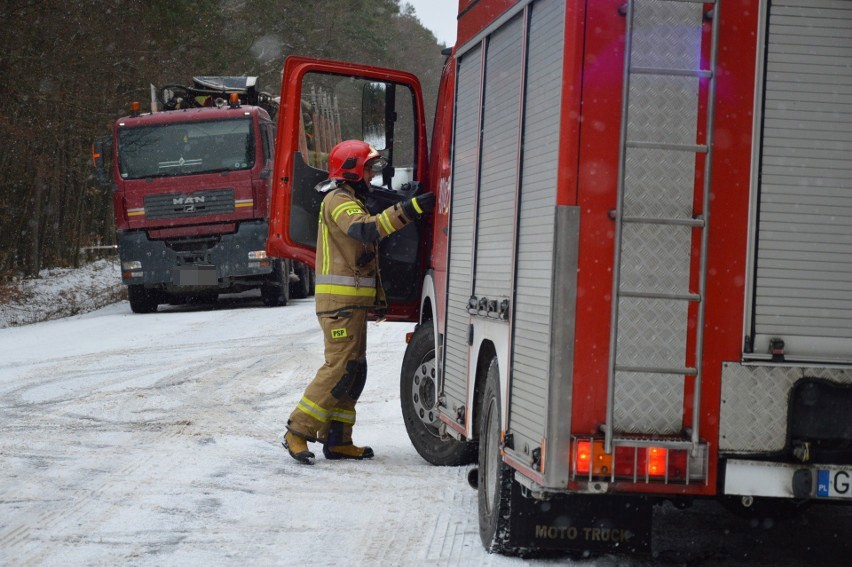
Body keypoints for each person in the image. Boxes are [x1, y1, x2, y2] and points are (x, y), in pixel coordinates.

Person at [282, 140, 435, 465]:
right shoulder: (338, 200)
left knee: (355, 370)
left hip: (350, 305)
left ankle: (338, 440)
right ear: (351, 169)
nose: (371, 175)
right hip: (339, 305)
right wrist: (411, 209)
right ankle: (298, 430)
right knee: (340, 368)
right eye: (367, 168)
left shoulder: (351, 199)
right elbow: (366, 231)